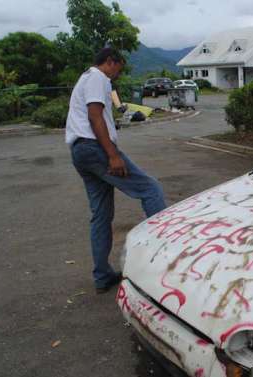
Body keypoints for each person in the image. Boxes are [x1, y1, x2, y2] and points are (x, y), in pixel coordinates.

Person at [66, 48, 166, 294]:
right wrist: (113, 155)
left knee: (101, 214)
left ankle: (102, 276)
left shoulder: (85, 78)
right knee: (150, 189)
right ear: (110, 62)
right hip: (95, 149)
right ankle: (166, 260)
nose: (118, 75)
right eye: (118, 68)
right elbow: (95, 116)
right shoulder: (98, 78)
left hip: (81, 152)